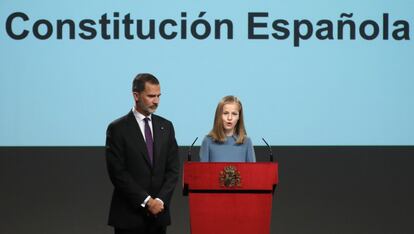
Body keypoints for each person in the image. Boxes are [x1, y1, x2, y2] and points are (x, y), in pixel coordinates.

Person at [105, 73, 179, 234]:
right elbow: (118, 173)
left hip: (159, 217)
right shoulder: (117, 129)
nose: (156, 101)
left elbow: (173, 170)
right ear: (136, 95)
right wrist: (146, 201)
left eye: (159, 96)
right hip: (129, 217)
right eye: (151, 96)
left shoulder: (166, 126)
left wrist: (159, 201)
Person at [200, 95, 256, 162]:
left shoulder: (246, 141)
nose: (229, 118)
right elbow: (202, 171)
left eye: (234, 114)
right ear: (219, 115)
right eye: (225, 113)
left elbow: (252, 171)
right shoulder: (207, 141)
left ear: (239, 117)